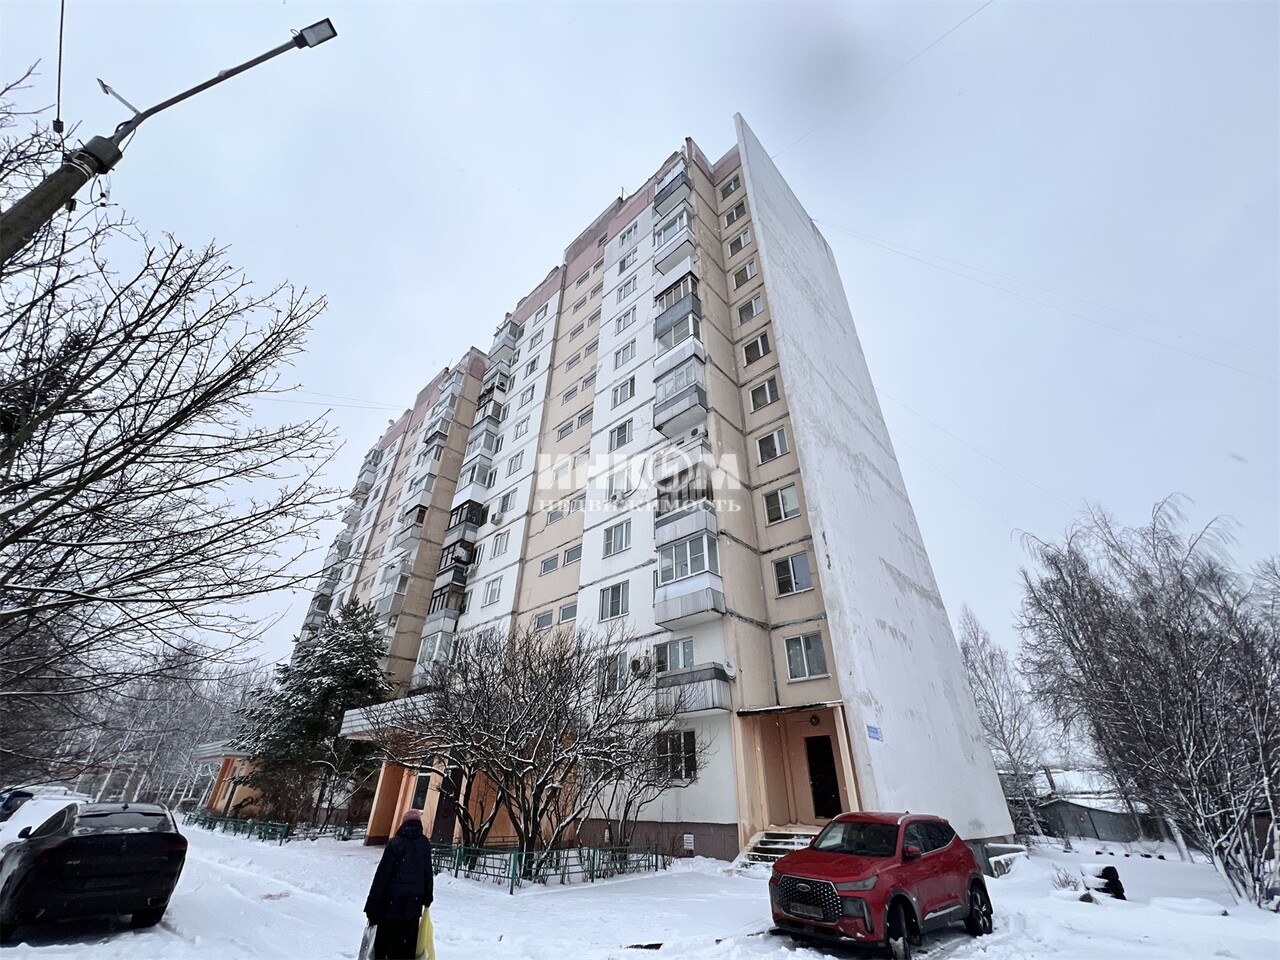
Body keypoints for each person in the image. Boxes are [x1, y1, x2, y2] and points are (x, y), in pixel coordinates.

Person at [363, 809, 433, 960]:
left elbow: (382, 876)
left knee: (385, 947)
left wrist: (372, 904)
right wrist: (428, 897)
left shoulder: (396, 843)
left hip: (391, 905)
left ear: (403, 823)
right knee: (406, 949)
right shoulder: (424, 843)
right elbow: (428, 872)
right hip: (413, 906)